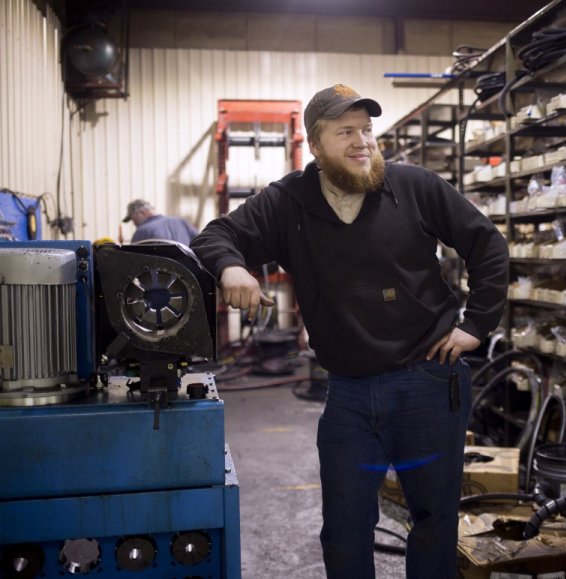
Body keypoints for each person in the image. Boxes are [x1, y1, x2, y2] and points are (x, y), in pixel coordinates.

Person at [190, 84, 509, 578]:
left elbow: (487, 244)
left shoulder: (414, 186)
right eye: (346, 132)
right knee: (343, 527)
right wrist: (231, 267)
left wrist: (477, 325)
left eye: (366, 130)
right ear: (315, 145)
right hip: (349, 396)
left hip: (428, 381)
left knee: (433, 521)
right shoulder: (287, 202)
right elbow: (216, 235)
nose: (362, 142)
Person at [122, 198, 199, 245]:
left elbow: (134, 259)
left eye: (132, 219)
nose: (133, 223)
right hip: (189, 270)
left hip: (162, 271)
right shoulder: (181, 222)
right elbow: (199, 242)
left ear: (141, 213)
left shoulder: (142, 231)